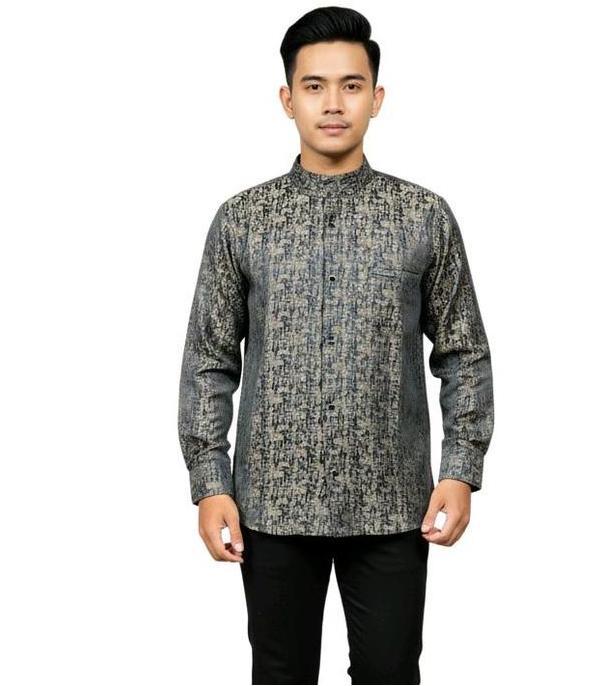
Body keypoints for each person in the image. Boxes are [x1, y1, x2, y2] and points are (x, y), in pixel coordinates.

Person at [177, 6, 494, 684]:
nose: (332, 103)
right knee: (280, 674)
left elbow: (463, 352)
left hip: (394, 505)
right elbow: (209, 359)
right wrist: (209, 481)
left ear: (376, 98)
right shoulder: (243, 220)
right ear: (287, 98)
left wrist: (461, 468)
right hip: (270, 504)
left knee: (390, 673)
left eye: (351, 85)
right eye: (314, 85)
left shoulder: (423, 215)